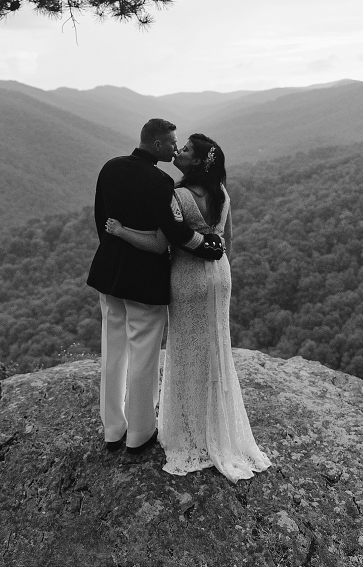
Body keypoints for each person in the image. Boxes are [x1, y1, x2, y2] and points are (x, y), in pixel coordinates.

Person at [105, 133, 271, 483]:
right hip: (220, 276)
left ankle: (190, 432)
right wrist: (221, 274)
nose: (178, 152)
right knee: (216, 348)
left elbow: (160, 243)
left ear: (195, 162)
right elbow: (228, 241)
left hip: (188, 278)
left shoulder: (177, 196)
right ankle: (221, 427)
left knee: (186, 350)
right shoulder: (223, 193)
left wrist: (122, 232)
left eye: (185, 151)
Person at [86, 119, 224, 456]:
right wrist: (209, 247)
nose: (176, 149)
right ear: (159, 145)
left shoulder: (111, 167)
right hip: (144, 277)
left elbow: (100, 218)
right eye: (173, 143)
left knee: (113, 350)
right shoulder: (161, 182)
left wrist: (116, 244)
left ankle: (112, 429)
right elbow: (172, 235)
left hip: (108, 271)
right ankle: (140, 433)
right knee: (144, 355)